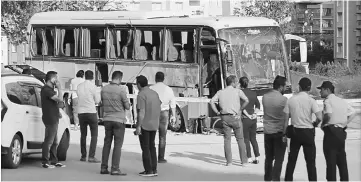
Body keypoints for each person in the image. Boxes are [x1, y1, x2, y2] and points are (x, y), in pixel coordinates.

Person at [284, 77, 323, 181]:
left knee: (291, 160)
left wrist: (284, 132)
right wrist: (315, 123)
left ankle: (288, 179)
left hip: (295, 132)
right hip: (308, 133)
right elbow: (319, 117)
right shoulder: (311, 101)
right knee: (310, 162)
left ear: (299, 87)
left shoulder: (291, 100)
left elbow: (286, 118)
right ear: (309, 88)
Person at [318, 81, 356, 181]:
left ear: (327, 90)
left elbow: (328, 114)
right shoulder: (341, 101)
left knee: (331, 162)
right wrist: (344, 123)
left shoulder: (327, 101)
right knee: (342, 161)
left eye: (321, 90)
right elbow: (353, 112)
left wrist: (322, 124)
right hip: (341, 133)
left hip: (330, 133)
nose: (320, 92)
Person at [210, 75, 249, 166]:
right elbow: (247, 100)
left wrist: (217, 112)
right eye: (236, 82)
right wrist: (240, 110)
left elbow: (212, 101)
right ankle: (244, 162)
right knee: (240, 139)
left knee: (227, 140)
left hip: (224, 118)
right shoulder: (238, 91)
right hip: (235, 117)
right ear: (233, 83)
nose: (237, 83)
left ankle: (229, 162)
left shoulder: (220, 92)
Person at [100, 71, 130, 175]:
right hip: (118, 121)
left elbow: (102, 103)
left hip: (107, 119)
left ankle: (103, 167)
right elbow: (127, 106)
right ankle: (115, 168)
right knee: (117, 145)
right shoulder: (121, 90)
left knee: (107, 143)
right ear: (120, 79)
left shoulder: (104, 89)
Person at [134, 75, 161, 177]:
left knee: (145, 148)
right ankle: (154, 169)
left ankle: (148, 170)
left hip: (145, 124)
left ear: (139, 85)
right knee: (152, 147)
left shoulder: (141, 95)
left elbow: (141, 112)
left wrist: (138, 126)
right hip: (154, 123)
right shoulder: (154, 93)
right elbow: (159, 106)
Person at [262, 75, 288, 181]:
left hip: (267, 131)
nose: (286, 89)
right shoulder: (284, 100)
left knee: (268, 158)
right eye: (285, 86)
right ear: (281, 87)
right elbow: (286, 118)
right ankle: (276, 179)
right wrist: (285, 133)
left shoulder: (264, 97)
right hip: (279, 132)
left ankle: (267, 178)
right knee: (279, 159)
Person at [40, 71, 65, 168]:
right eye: (56, 78)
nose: (57, 80)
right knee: (49, 140)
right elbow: (59, 99)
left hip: (54, 116)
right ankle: (45, 161)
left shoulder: (49, 89)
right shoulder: (46, 89)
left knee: (54, 141)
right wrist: (60, 88)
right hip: (50, 118)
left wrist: (57, 112)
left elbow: (54, 104)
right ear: (52, 79)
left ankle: (54, 160)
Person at [150, 72, 176, 163]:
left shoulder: (151, 88)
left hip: (153, 113)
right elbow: (172, 104)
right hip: (164, 113)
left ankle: (151, 156)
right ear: (163, 79)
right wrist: (174, 116)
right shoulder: (168, 89)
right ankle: (161, 158)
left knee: (151, 135)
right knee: (162, 136)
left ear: (155, 78)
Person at [77, 70, 101, 163]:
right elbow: (97, 101)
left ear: (84, 76)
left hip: (81, 112)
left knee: (83, 134)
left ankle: (83, 156)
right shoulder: (93, 87)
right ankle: (91, 156)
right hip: (91, 112)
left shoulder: (79, 86)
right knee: (94, 135)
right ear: (93, 77)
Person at [239, 77, 261, 164]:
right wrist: (254, 114)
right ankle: (257, 157)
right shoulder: (253, 93)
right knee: (253, 138)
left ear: (240, 83)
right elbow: (258, 105)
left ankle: (249, 157)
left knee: (246, 139)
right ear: (248, 83)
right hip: (253, 119)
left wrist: (247, 115)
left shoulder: (240, 93)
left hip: (245, 119)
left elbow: (242, 107)